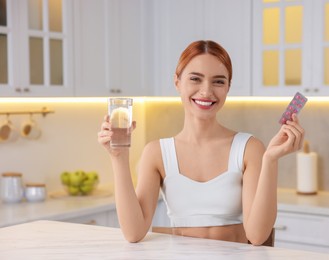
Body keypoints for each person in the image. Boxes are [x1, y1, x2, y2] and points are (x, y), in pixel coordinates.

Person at [97, 40, 305, 246]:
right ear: (177, 82)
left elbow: (258, 236)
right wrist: (119, 157)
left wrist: (270, 160)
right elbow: (134, 233)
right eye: (195, 79)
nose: (206, 91)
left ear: (228, 87)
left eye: (218, 81)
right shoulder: (157, 152)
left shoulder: (249, 148)